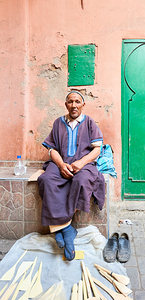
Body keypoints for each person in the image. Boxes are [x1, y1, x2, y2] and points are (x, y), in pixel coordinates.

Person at [37, 91, 105, 261]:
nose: (74, 105)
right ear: (65, 104)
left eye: (77, 102)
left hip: (84, 164)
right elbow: (51, 149)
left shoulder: (89, 122)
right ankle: (67, 229)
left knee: (82, 181)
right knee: (46, 180)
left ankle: (60, 228)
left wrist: (81, 163)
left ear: (83, 105)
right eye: (70, 102)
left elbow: (97, 149)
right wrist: (60, 165)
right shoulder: (58, 123)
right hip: (61, 162)